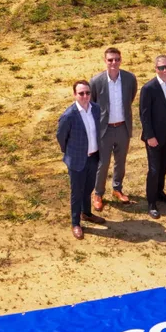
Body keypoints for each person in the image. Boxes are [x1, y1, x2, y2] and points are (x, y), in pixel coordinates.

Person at [88, 47, 138, 210]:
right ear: (105, 61)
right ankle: (98, 193)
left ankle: (117, 188)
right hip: (105, 130)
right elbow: (93, 103)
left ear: (121, 60)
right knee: (103, 163)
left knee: (120, 161)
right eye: (110, 60)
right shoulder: (96, 81)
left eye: (116, 59)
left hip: (122, 127)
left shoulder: (129, 78)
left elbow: (130, 97)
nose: (114, 63)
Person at [56, 81, 107, 239]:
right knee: (76, 192)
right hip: (77, 160)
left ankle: (87, 213)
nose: (85, 96)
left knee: (88, 188)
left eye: (87, 93)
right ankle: (75, 223)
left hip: (93, 157)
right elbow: (61, 137)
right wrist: (69, 152)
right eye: (81, 93)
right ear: (74, 95)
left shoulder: (96, 109)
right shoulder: (69, 115)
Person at [139, 55, 166, 219]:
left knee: (164, 167)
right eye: (161, 67)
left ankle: (160, 192)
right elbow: (144, 114)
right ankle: (151, 203)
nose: (165, 70)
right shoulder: (149, 88)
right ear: (156, 69)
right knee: (154, 169)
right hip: (154, 137)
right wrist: (149, 136)